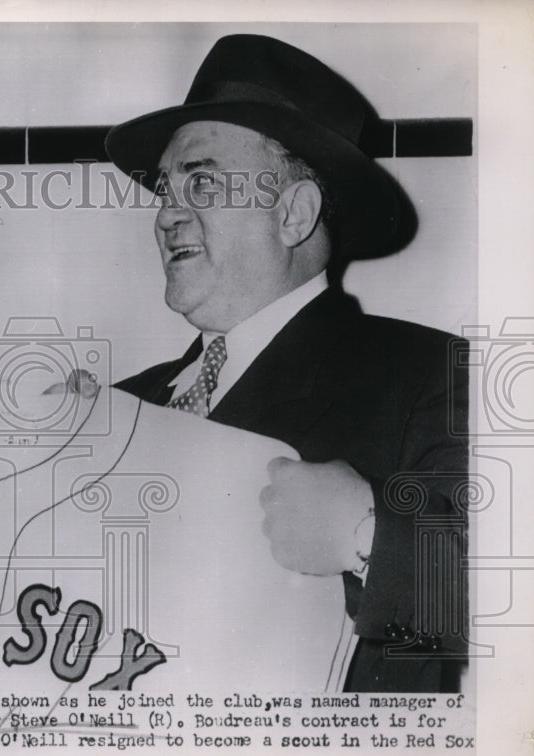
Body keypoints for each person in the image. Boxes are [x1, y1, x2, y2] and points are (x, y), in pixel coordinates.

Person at [106, 34, 468, 692]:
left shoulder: (429, 376)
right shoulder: (120, 405)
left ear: (295, 213)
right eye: (165, 188)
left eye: (202, 180)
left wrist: (367, 531)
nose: (165, 214)